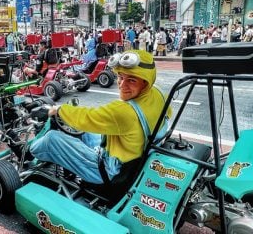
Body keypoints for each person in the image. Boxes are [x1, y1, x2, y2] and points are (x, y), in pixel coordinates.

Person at [30, 50, 171, 184]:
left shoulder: (125, 112)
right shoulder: (159, 94)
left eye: (132, 80)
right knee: (83, 130)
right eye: (121, 77)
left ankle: (28, 154)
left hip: (109, 170)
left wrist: (56, 110)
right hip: (133, 155)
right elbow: (97, 118)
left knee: (51, 139)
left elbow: (88, 117)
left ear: (145, 82)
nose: (122, 85)